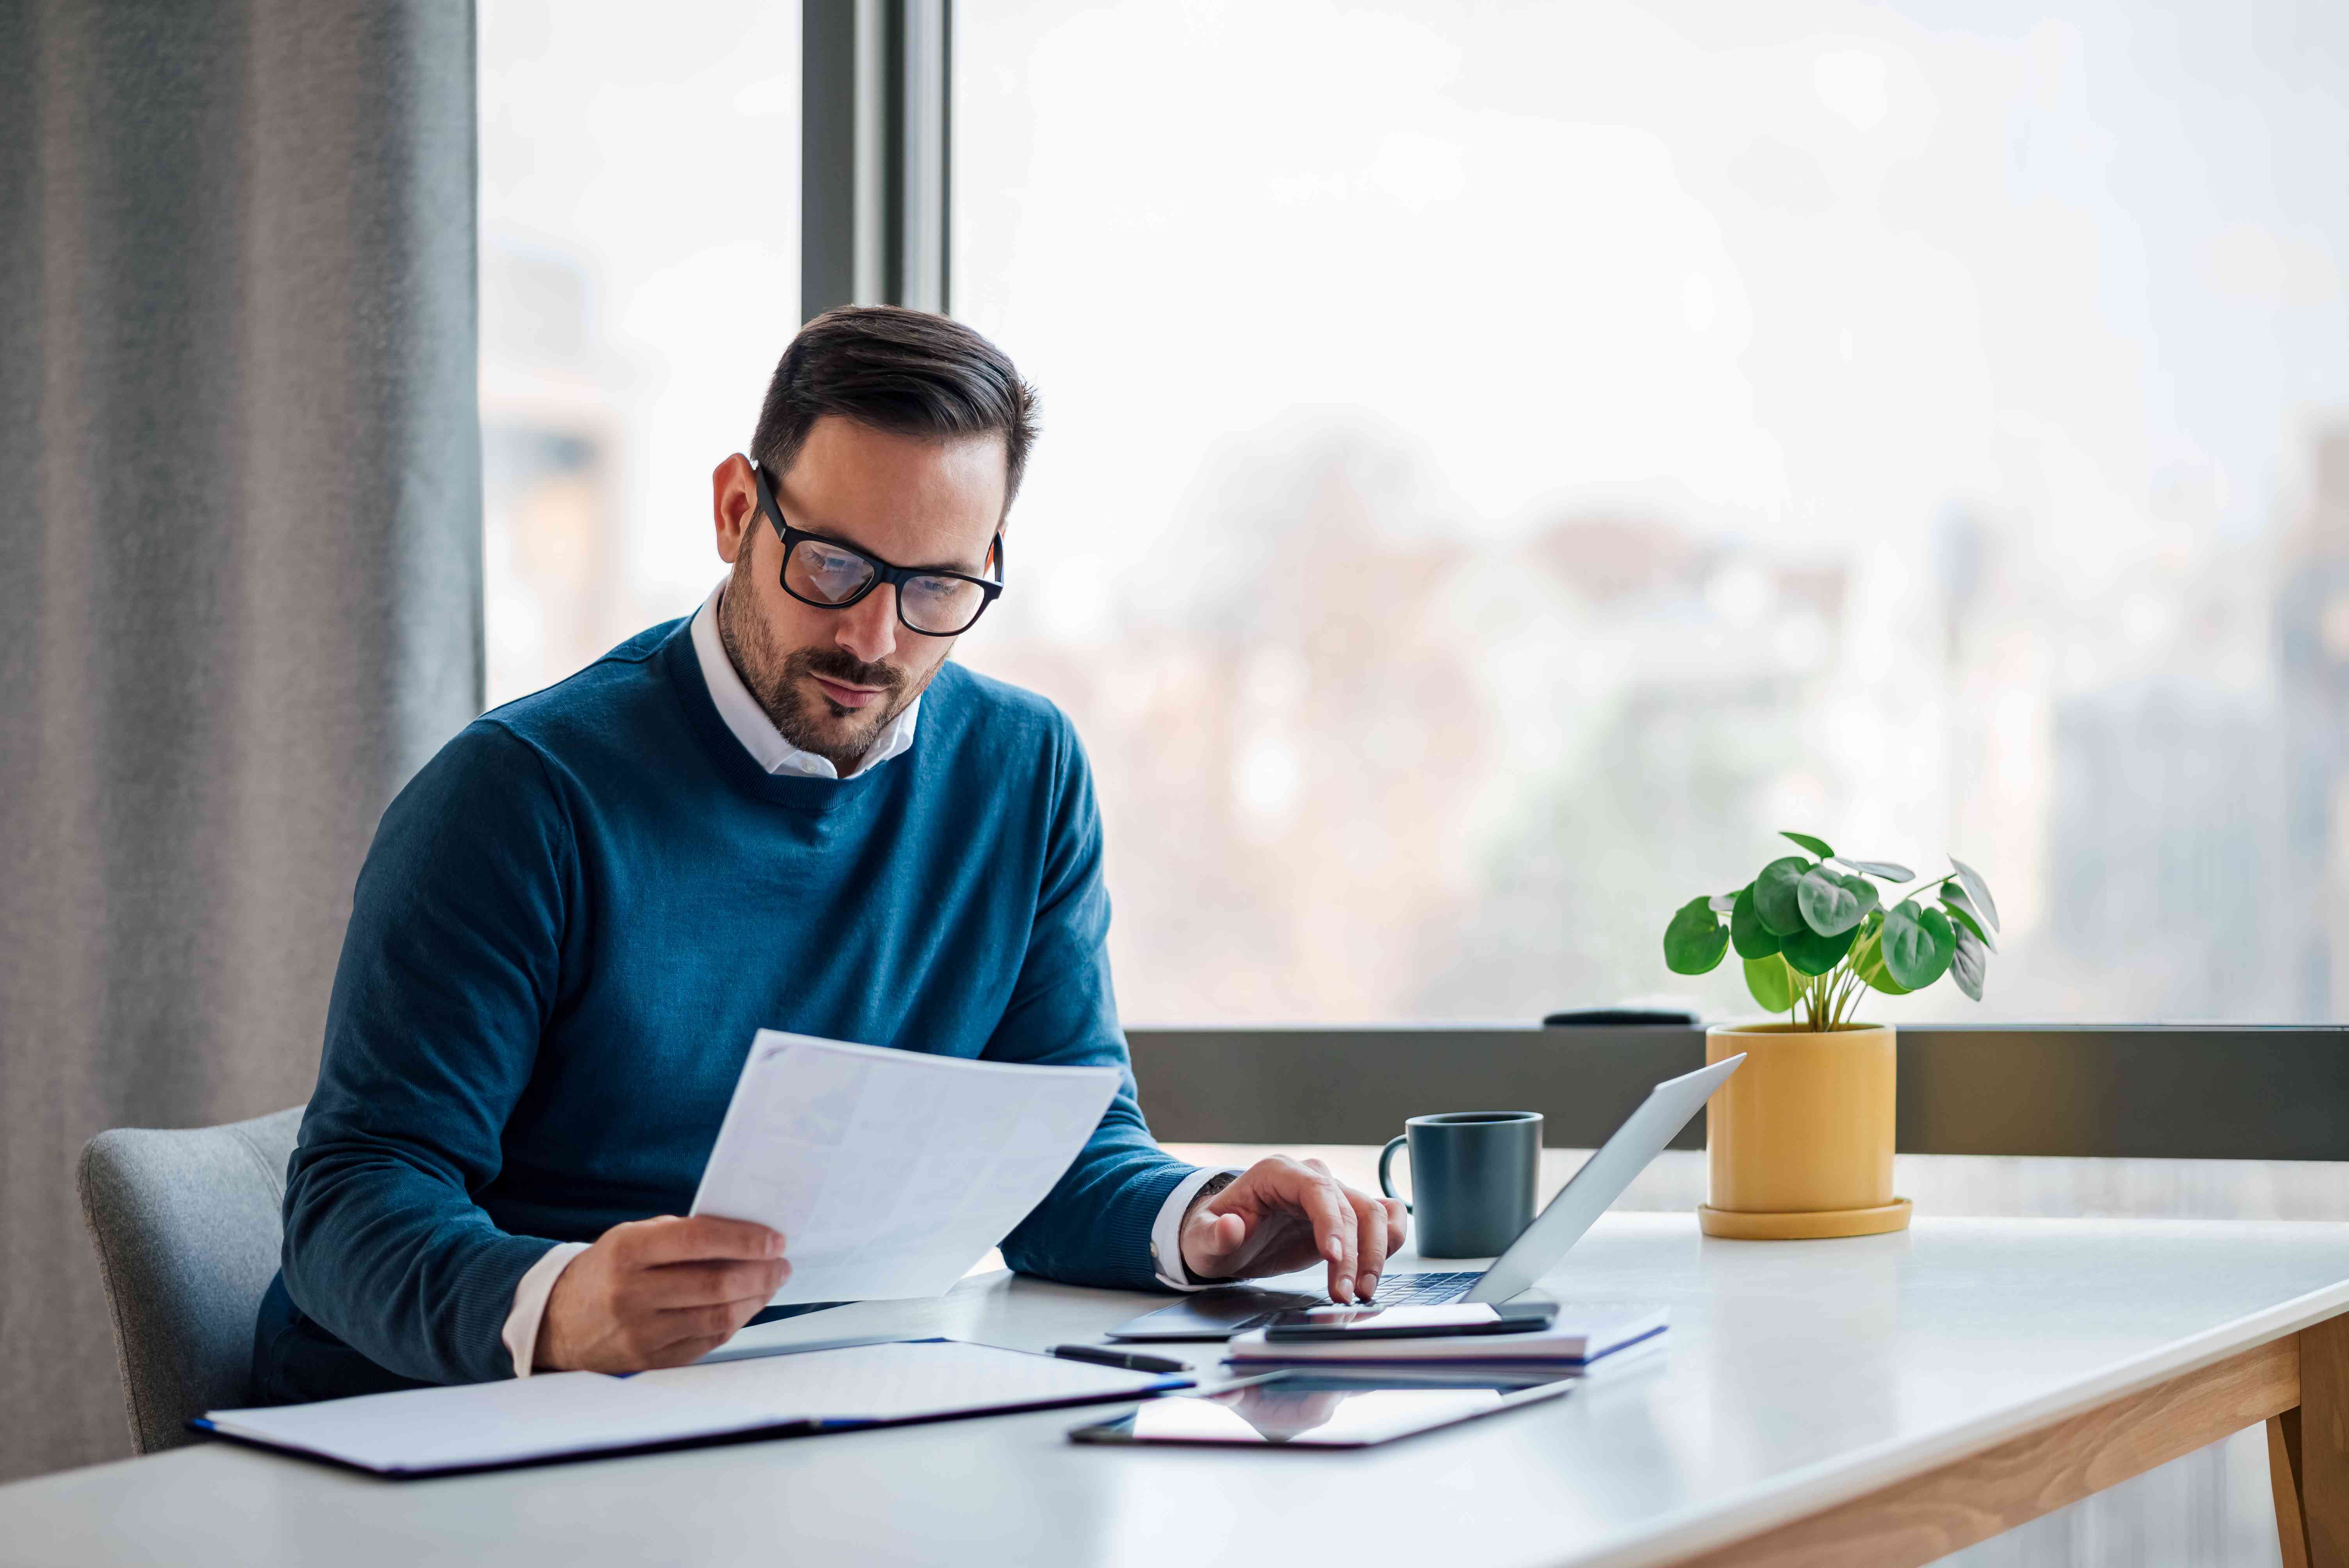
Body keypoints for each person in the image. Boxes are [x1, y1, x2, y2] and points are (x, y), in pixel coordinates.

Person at [253, 305, 1406, 1401]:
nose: (874, 637)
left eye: (938, 587)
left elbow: (1063, 1151)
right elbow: (353, 1207)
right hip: (455, 1431)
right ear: (734, 512)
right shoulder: (518, 798)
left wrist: (1205, 1220)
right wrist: (561, 1304)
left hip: (800, 1408)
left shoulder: (1025, 772)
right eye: (836, 566)